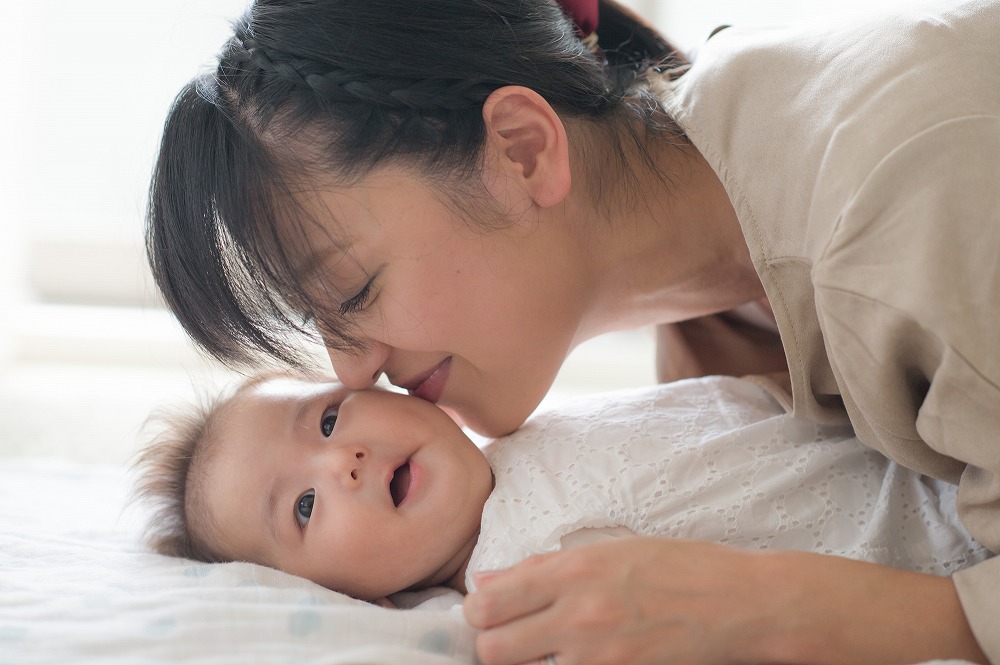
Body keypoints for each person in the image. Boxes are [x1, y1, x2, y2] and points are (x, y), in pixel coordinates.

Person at [143, 0, 1000, 661]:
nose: (353, 373)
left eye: (355, 290)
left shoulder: (895, 221)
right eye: (321, 327)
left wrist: (771, 605)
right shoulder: (720, 318)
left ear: (519, 150)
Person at [132, 371, 987, 610]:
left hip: (937, 441)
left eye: (324, 420)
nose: (341, 461)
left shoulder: (531, 431)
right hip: (955, 553)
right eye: (305, 508)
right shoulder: (521, 577)